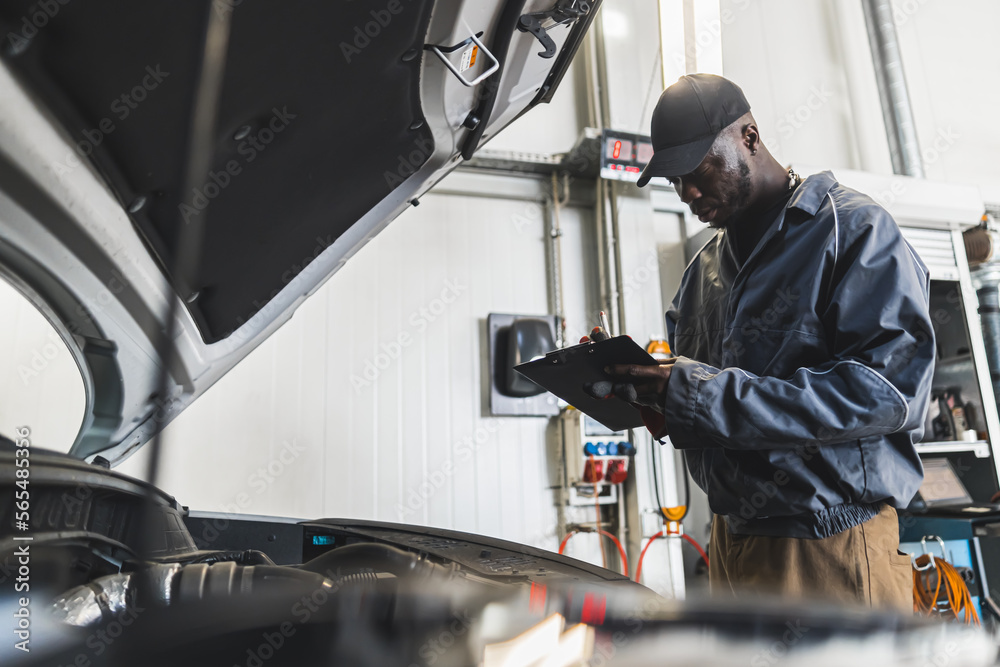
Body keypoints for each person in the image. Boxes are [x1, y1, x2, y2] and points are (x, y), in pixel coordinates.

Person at [603, 74, 934, 611]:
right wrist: (642, 387)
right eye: (673, 180)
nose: (687, 192)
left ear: (749, 137)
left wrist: (696, 394)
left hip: (827, 546)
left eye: (696, 169)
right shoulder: (701, 274)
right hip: (732, 543)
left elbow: (886, 393)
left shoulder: (850, 232)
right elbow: (702, 398)